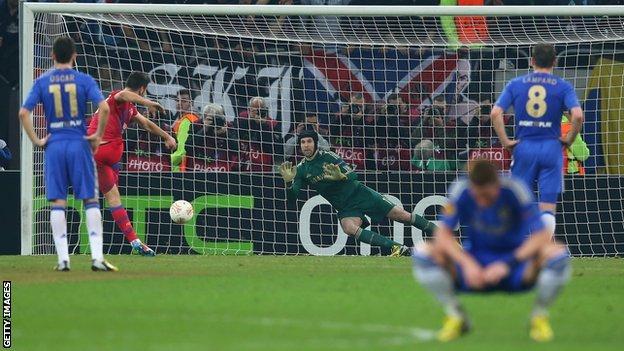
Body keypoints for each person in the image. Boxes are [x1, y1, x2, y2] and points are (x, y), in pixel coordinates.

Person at [412, 159, 571, 342]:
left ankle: (539, 316)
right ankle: (456, 316)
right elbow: (443, 235)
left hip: (516, 266)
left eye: (487, 196)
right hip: (476, 265)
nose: (482, 201)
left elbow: (541, 235)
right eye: (478, 196)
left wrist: (508, 263)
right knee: (423, 252)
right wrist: (468, 263)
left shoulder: (515, 189)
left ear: (497, 184)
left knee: (557, 254)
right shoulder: (461, 190)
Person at [19, 36, 117, 271]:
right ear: (74, 55)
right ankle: (97, 258)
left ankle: (63, 260)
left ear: (52, 56)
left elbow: (23, 113)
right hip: (78, 143)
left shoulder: (43, 81)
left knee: (58, 202)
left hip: (54, 145)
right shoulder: (84, 80)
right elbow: (104, 107)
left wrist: (37, 140)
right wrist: (96, 136)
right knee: (90, 200)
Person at [279, 130, 437, 256]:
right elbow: (292, 198)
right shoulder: (300, 169)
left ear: (315, 143)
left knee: (402, 216)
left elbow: (354, 175)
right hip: (345, 206)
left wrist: (340, 176)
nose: (306, 145)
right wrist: (287, 182)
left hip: (360, 194)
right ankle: (400, 249)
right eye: (303, 142)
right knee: (348, 227)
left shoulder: (329, 156)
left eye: (309, 141)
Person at [491, 43, 584, 237]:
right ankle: (542, 252)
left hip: (524, 147)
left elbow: (495, 113)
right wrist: (568, 139)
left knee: (518, 201)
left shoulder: (516, 84)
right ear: (555, 61)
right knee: (548, 206)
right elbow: (577, 115)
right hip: (551, 148)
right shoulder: (562, 86)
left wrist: (506, 141)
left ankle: (516, 248)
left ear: (531, 60)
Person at [87, 71, 176, 256]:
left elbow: (146, 124)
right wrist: (149, 103)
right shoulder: (116, 97)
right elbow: (124, 94)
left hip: (105, 157)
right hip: (100, 151)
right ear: (142, 89)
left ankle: (135, 241)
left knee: (113, 199)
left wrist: (167, 136)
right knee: (109, 198)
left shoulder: (129, 109)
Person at [170, 89, 201, 172]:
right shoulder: (180, 119)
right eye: (177, 100)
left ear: (191, 103)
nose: (179, 103)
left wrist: (165, 162)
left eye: (184, 101)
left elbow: (181, 151)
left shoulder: (188, 120)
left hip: (178, 169)